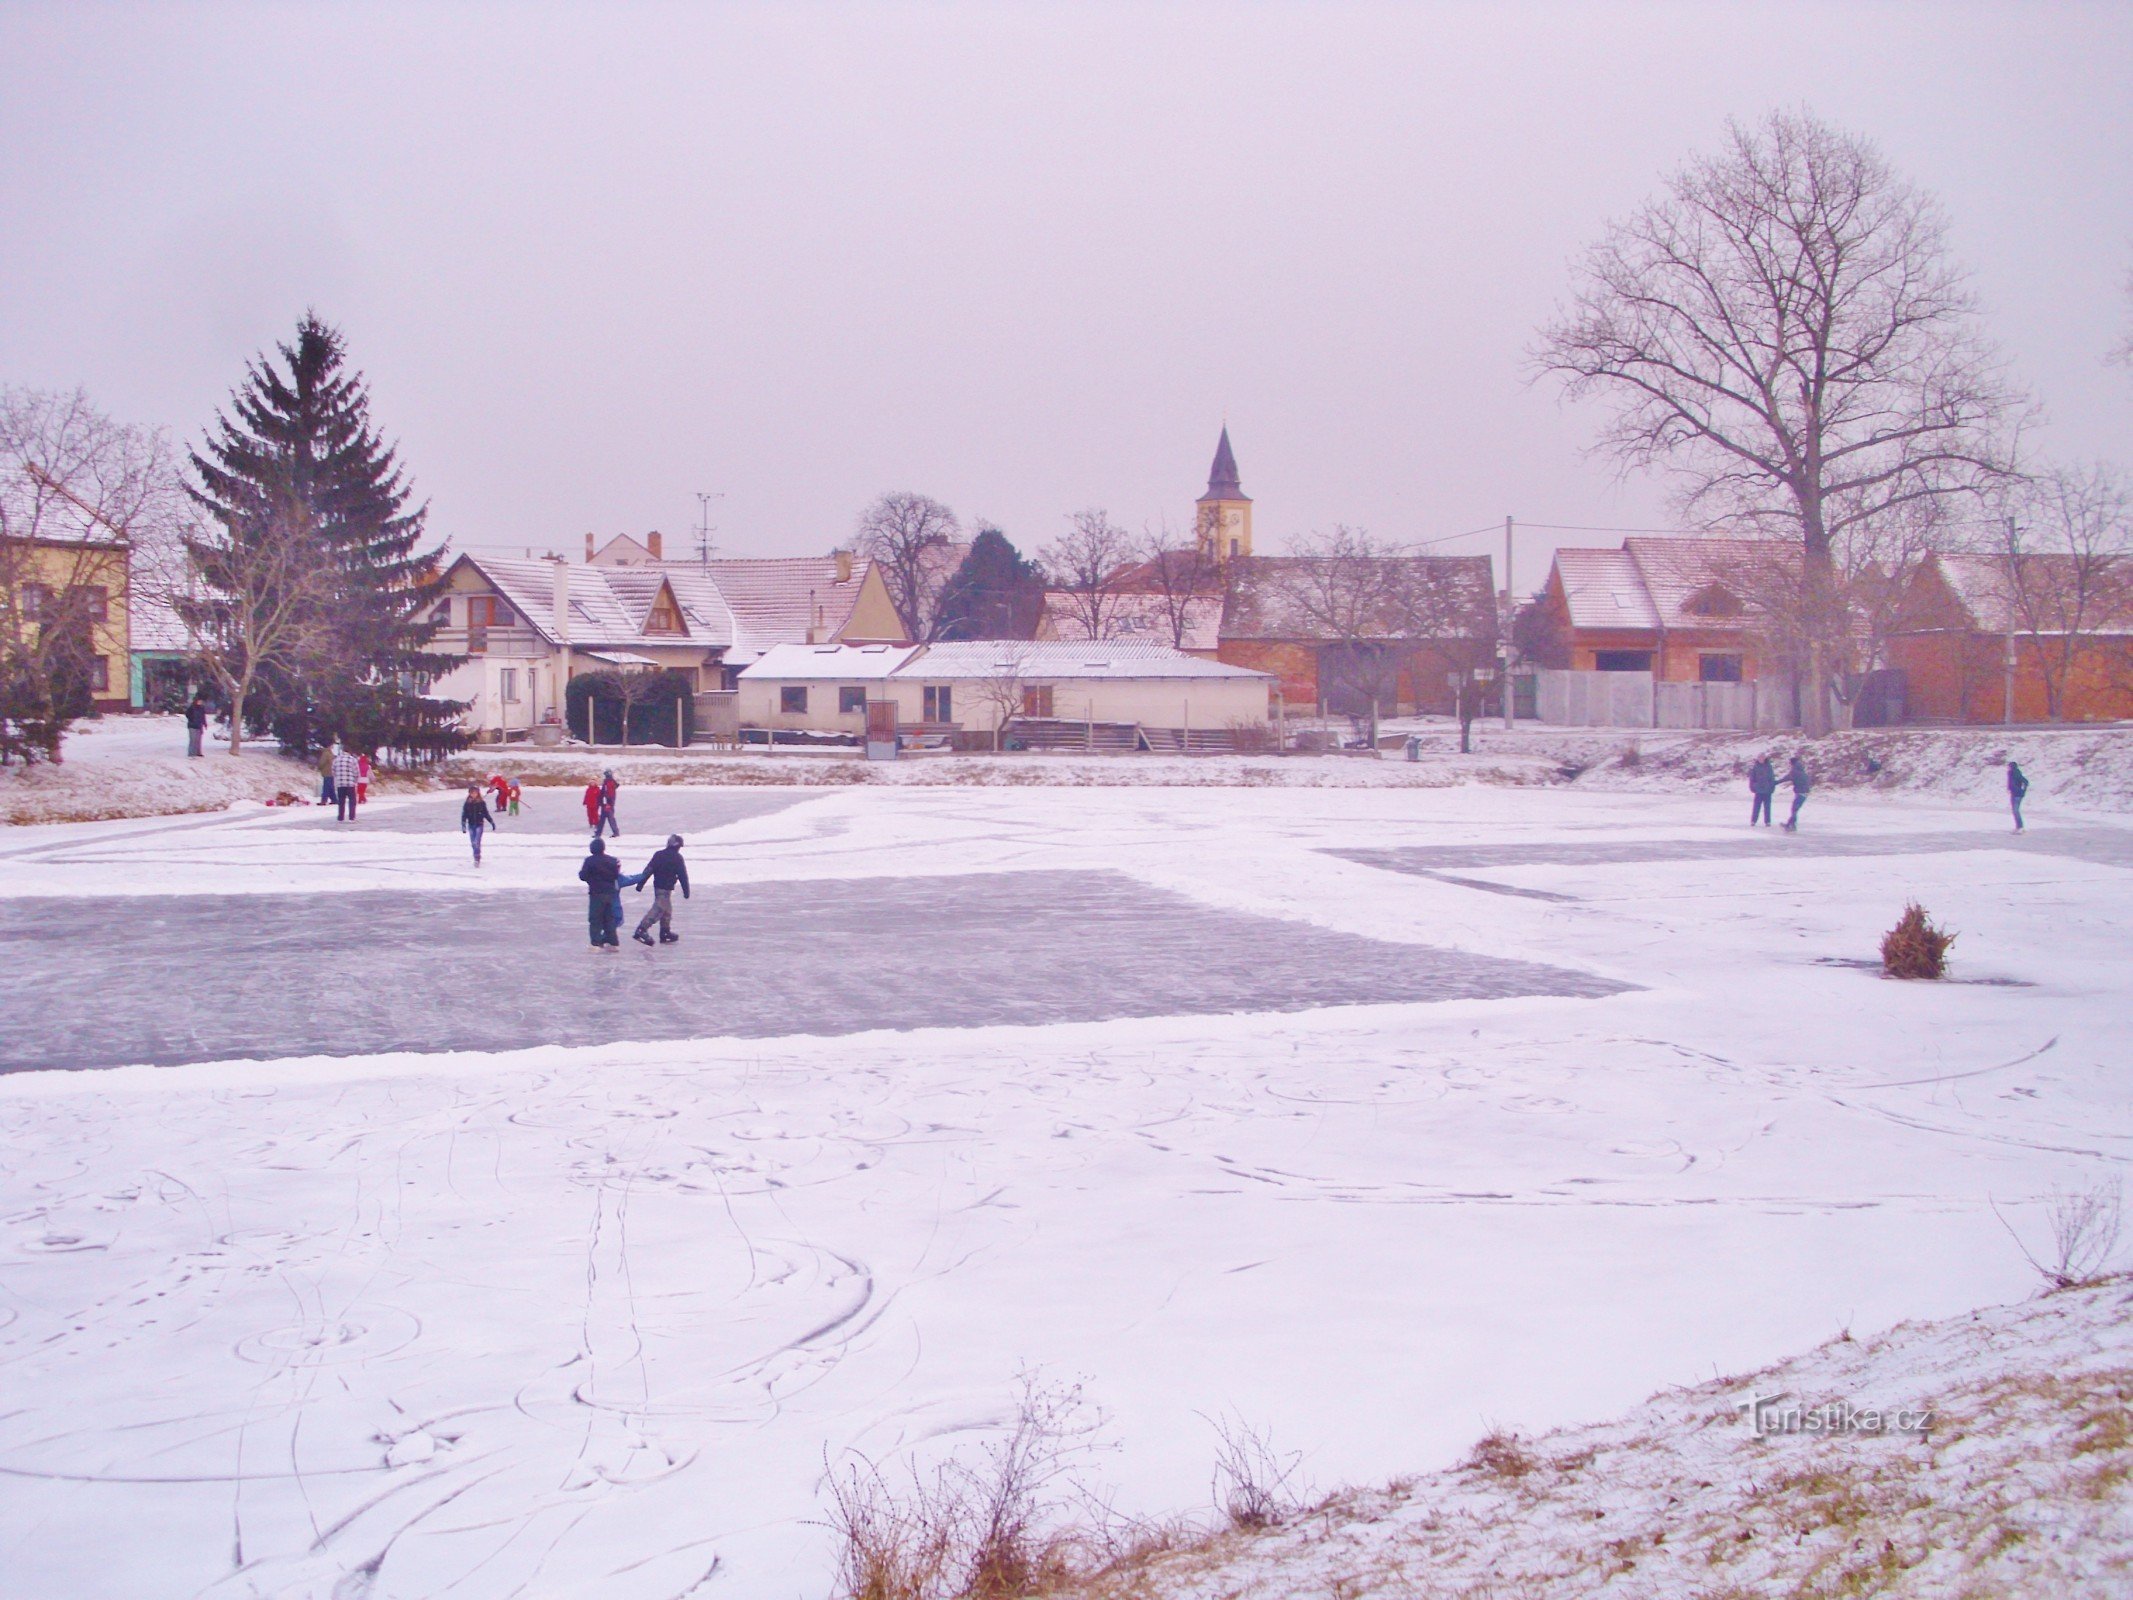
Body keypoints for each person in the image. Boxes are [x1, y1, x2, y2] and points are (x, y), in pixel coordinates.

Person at [629, 834, 691, 946]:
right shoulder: (677, 858)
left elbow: (648, 870)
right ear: (677, 846)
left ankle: (665, 932)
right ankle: (641, 929)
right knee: (658, 909)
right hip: (665, 888)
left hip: (659, 887)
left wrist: (640, 883)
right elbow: (683, 875)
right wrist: (686, 891)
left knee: (667, 910)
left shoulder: (658, 855)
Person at [578, 837, 624, 951]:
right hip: (609, 894)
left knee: (595, 919)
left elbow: (583, 876)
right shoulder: (612, 860)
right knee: (609, 919)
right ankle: (613, 943)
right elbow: (615, 875)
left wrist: (589, 878)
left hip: (596, 893)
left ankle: (595, 943)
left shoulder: (589, 861)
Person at [460, 783, 495, 866]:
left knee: (477, 842)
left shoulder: (481, 803)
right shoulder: (467, 803)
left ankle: (477, 858)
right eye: (472, 793)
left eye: (475, 793)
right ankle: (476, 855)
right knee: (473, 843)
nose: (474, 794)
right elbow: (464, 814)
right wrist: (463, 825)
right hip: (471, 825)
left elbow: (486, 813)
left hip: (479, 824)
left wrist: (491, 822)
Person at [1782, 751, 1812, 832]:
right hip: (1803, 792)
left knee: (1794, 809)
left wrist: (1774, 782)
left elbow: (1787, 778)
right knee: (1795, 809)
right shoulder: (1800, 769)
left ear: (1792, 763)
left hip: (1801, 793)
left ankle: (1790, 826)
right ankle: (1791, 825)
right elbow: (1801, 780)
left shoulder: (1795, 770)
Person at [332, 744, 362, 822]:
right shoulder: (352, 759)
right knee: (352, 800)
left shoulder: (336, 760)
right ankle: (351, 817)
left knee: (341, 801)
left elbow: (333, 771)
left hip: (340, 783)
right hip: (350, 783)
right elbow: (356, 772)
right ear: (349, 751)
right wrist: (356, 780)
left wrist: (338, 777)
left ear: (342, 751)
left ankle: (340, 817)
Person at [1747, 754, 1777, 827]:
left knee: (1767, 807)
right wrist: (1752, 787)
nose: (1761, 759)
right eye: (1759, 758)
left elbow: (1772, 778)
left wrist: (1772, 787)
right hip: (1758, 790)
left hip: (1767, 791)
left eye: (1762, 758)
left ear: (1765, 758)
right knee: (1756, 807)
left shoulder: (1769, 767)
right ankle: (1753, 821)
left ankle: (1767, 821)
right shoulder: (1755, 767)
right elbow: (1752, 778)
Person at [2007, 759, 2029, 833]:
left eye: (2009, 766)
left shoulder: (2016, 773)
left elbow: (2026, 781)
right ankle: (2018, 827)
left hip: (2017, 795)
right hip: (2013, 794)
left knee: (2016, 811)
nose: (2008, 768)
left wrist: (2022, 790)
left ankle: (2020, 827)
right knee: (2014, 811)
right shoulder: (2010, 773)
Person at [598, 769, 620, 837]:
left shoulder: (609, 782)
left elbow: (609, 794)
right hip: (607, 804)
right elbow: (603, 793)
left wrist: (608, 804)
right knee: (604, 819)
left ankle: (615, 833)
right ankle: (598, 833)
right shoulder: (608, 782)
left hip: (608, 804)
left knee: (608, 819)